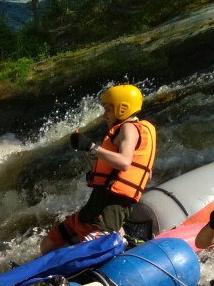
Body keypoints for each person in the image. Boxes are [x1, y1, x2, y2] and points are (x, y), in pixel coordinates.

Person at [39, 83, 157, 255]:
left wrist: (92, 146)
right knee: (48, 243)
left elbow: (124, 162)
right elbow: (112, 171)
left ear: (122, 109)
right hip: (97, 203)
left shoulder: (129, 128)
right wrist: (85, 149)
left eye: (108, 109)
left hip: (110, 207)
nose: (104, 115)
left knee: (85, 252)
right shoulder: (126, 130)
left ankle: (122, 243)